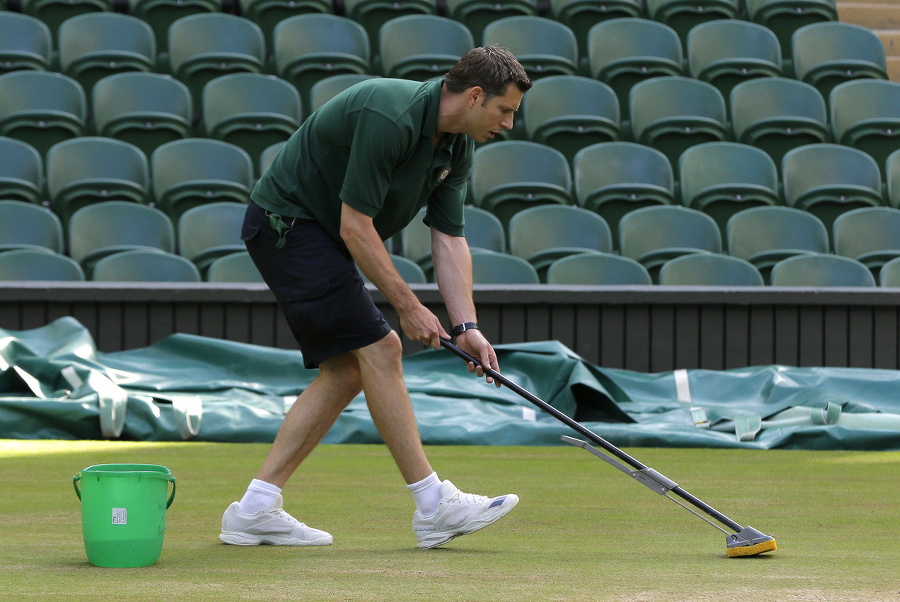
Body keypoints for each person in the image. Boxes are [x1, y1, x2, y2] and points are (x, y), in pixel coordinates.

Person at [219, 46, 533, 549]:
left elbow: (449, 239)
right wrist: (408, 306)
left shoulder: (457, 144)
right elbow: (355, 226)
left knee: (346, 369)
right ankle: (433, 506)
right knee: (382, 348)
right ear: (476, 97)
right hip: (288, 226)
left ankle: (254, 509)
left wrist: (466, 326)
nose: (510, 123)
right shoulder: (389, 114)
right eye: (505, 110)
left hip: (320, 235)